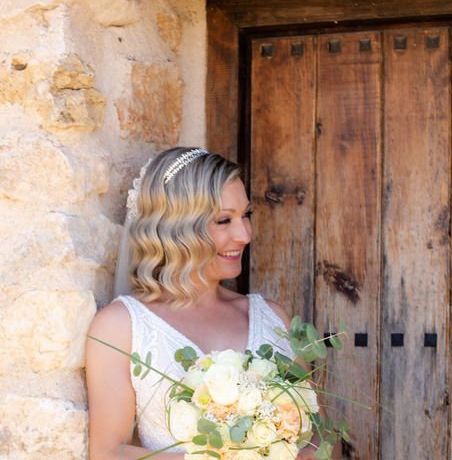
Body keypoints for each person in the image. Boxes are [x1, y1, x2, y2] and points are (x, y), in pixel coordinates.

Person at [85, 147, 332, 460]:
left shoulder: (272, 318)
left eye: (246, 215)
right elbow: (109, 453)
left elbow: (321, 439)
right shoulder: (120, 327)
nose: (244, 234)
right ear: (177, 227)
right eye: (224, 220)